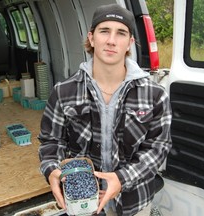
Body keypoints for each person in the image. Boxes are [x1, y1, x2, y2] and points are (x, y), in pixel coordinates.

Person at [38, 4, 172, 216]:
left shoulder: (154, 94)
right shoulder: (64, 91)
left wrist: (121, 178)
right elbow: (52, 141)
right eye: (104, 31)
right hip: (83, 202)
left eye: (121, 33)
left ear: (129, 43)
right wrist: (51, 169)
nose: (111, 40)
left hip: (134, 202)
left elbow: (158, 147)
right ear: (91, 38)